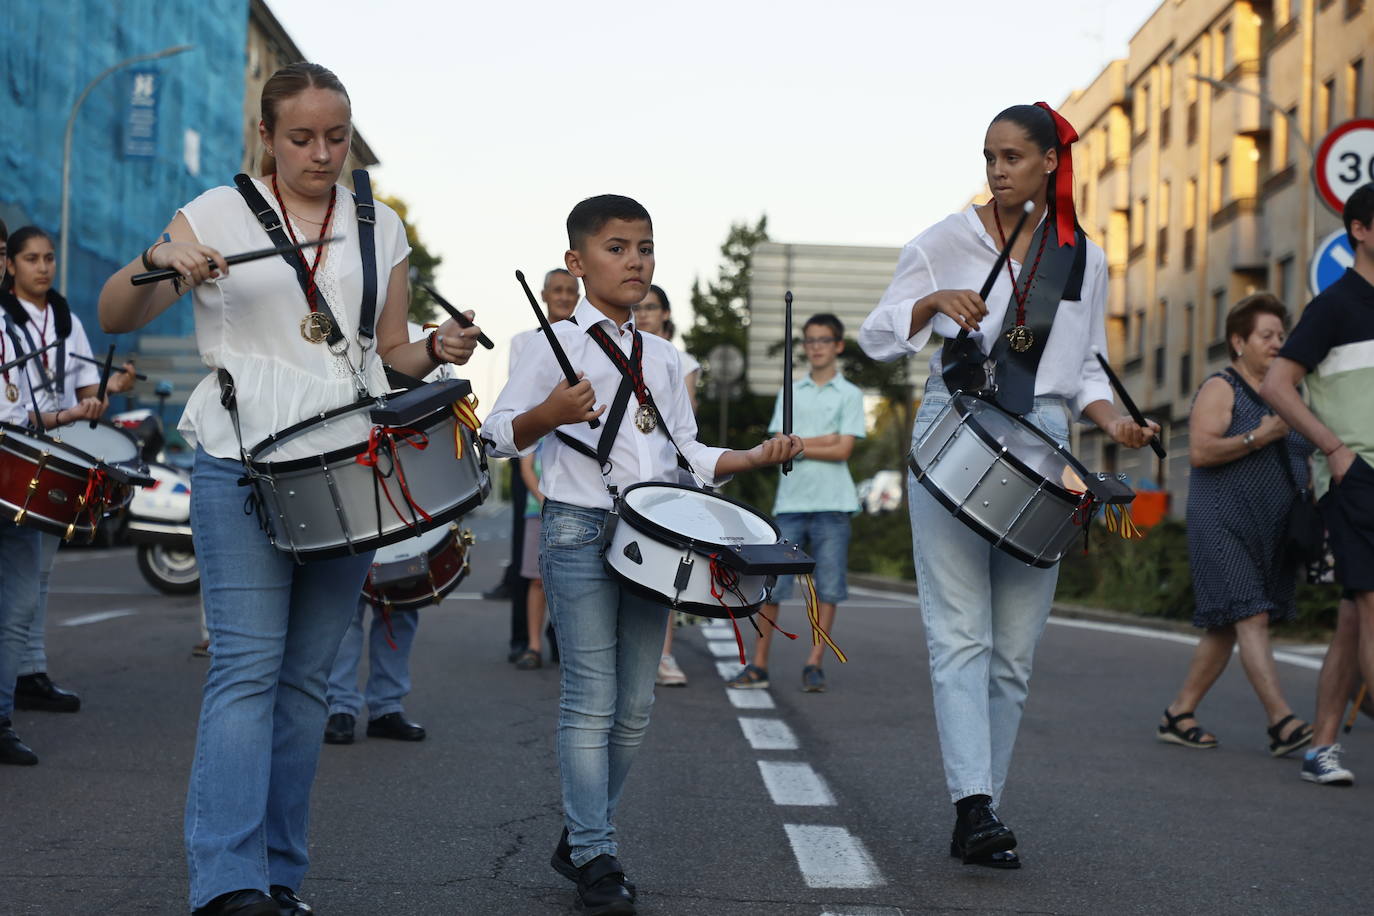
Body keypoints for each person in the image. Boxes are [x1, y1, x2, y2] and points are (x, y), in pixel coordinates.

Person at [98, 62, 481, 916]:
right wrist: (161, 259)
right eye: (301, 137)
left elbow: (386, 354)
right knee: (245, 667)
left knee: (308, 678)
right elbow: (116, 313)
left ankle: (279, 877)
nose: (321, 154)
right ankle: (226, 883)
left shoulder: (377, 225)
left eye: (336, 137)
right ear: (266, 137)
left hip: (348, 466)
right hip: (242, 458)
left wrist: (437, 345)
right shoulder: (213, 211)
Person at [481, 194, 802, 915]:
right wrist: (550, 414)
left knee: (635, 705)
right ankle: (596, 854)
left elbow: (687, 452)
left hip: (652, 537)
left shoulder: (664, 356)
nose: (635, 261)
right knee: (590, 698)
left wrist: (751, 454)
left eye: (645, 248)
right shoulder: (546, 344)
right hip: (575, 529)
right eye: (617, 247)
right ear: (577, 261)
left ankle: (580, 835)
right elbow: (496, 435)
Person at [859, 103, 1158, 869]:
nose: (997, 170)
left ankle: (982, 804)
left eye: (1014, 156)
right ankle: (973, 806)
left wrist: (1115, 425)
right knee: (960, 633)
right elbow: (877, 336)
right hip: (953, 427)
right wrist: (928, 304)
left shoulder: (1080, 258)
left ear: (1050, 163)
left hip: (1047, 437)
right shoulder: (943, 241)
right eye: (989, 155)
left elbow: (1086, 365)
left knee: (1014, 651)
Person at [1155, 294, 1313, 756]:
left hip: (1274, 527)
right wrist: (1257, 435)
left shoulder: (1290, 392)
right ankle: (1282, 722)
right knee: (1251, 614)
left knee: (1227, 626)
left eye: (1281, 336)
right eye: (1267, 336)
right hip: (1222, 520)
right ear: (1238, 341)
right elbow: (1201, 451)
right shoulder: (1222, 387)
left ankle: (1178, 713)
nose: (1276, 344)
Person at [1260, 181, 1374, 787]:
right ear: (1360, 229)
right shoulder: (1334, 306)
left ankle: (1321, 746)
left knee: (1355, 620)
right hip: (1360, 477)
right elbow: (1278, 384)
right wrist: (1334, 448)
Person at [1, 225, 135, 716]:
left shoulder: (65, 318)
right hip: (16, 443)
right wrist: (72, 413)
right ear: (11, 265)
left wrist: (108, 389)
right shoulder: (4, 320)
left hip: (55, 451)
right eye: (31, 259)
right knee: (23, 575)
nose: (43, 267)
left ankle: (29, 671)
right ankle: (21, 672)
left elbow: (85, 396)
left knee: (38, 574)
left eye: (49, 258)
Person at [323, 322, 451, 746]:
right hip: (350, 480)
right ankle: (339, 706)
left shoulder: (421, 336)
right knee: (343, 607)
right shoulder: (334, 327)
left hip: (406, 489)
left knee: (400, 601)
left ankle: (386, 706)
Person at [728, 312, 864, 693]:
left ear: (838, 346)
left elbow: (844, 449)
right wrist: (819, 440)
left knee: (828, 587)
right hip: (790, 502)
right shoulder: (790, 392)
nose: (815, 347)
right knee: (772, 587)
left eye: (823, 340)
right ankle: (758, 665)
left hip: (834, 503)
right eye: (809, 341)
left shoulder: (850, 394)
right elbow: (777, 444)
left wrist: (800, 443)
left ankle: (815, 662)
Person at [497, 268, 579, 662]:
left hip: (575, 449)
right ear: (544, 294)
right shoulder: (523, 342)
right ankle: (523, 640)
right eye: (557, 290)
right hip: (532, 447)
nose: (563, 296)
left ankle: (561, 638)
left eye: (570, 291)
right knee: (526, 553)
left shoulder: (588, 341)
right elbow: (521, 397)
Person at [632, 283, 699, 686]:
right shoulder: (616, 349)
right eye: (638, 308)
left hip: (666, 474)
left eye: (652, 308)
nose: (644, 314)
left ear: (666, 315)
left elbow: (682, 424)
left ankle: (664, 654)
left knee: (667, 568)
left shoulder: (680, 360)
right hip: (622, 477)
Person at [513, 441, 549, 669]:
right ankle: (533, 646)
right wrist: (544, 501)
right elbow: (526, 468)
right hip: (538, 511)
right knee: (536, 580)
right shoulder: (540, 429)